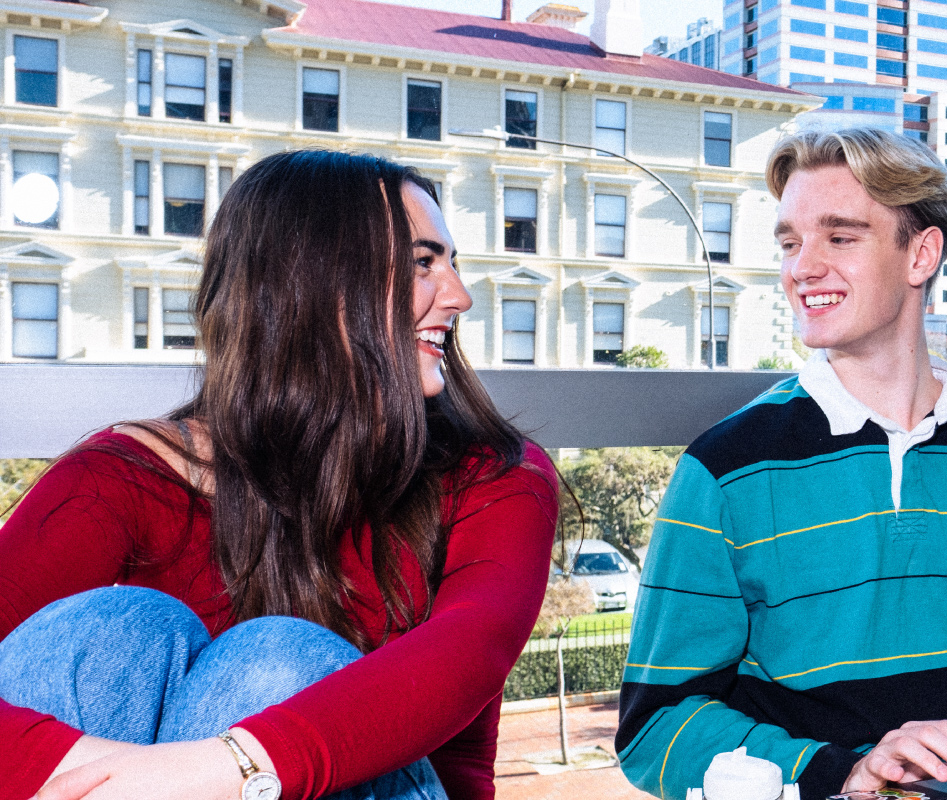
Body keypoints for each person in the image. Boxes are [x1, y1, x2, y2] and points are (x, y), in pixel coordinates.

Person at [0, 150, 559, 800]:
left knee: (277, 662)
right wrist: (109, 775)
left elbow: (471, 647)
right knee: (109, 630)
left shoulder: (493, 475)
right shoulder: (124, 476)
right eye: (423, 264)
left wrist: (230, 768)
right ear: (315, 283)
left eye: (451, 264)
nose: (460, 296)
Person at [616, 128, 947, 800]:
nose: (802, 267)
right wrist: (846, 772)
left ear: (921, 254)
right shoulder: (723, 471)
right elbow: (654, 729)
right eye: (790, 243)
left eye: (839, 237)